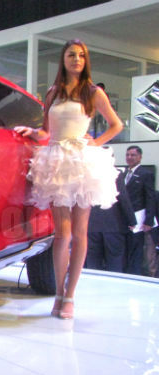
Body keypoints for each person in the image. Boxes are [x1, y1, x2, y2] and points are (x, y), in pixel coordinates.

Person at [15, 39, 123, 320]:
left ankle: (70, 296)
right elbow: (47, 131)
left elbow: (116, 125)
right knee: (61, 234)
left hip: (81, 161)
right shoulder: (53, 92)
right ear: (63, 59)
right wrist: (32, 132)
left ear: (86, 61)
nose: (77, 59)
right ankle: (59, 293)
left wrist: (95, 142)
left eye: (81, 55)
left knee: (79, 232)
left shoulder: (93, 92)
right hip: (56, 161)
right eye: (72, 55)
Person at [86, 173, 136, 272]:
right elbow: (123, 197)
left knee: (93, 260)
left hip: (91, 224)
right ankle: (114, 281)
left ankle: (94, 281)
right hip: (113, 223)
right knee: (115, 260)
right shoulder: (115, 173)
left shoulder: (87, 173)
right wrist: (132, 220)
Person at [123, 145, 156, 276]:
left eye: (133, 155)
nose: (129, 157)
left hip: (138, 218)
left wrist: (149, 220)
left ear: (140, 157)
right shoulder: (123, 174)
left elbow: (150, 198)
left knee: (136, 249)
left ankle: (134, 274)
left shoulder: (146, 174)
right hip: (124, 218)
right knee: (125, 248)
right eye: (128, 155)